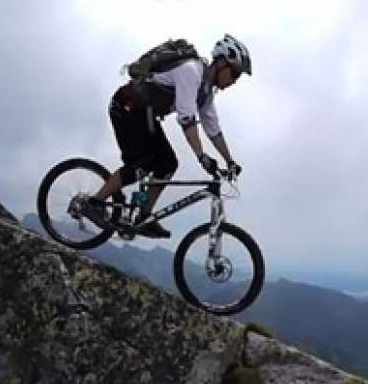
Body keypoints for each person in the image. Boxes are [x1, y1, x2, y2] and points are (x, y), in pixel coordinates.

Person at [82, 34, 251, 238]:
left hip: (145, 115)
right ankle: (94, 203)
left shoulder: (205, 90)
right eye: (235, 74)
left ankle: (144, 217)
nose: (234, 81)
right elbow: (187, 120)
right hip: (126, 107)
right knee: (141, 164)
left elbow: (213, 129)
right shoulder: (191, 71)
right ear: (222, 63)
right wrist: (201, 156)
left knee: (167, 164)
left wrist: (230, 161)